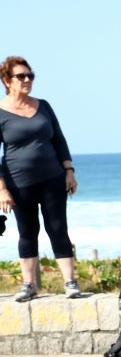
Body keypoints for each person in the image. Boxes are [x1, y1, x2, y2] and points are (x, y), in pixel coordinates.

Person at [0, 56, 80, 302]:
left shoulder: (43, 105)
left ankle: (70, 281)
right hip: (18, 183)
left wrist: (69, 171)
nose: (27, 80)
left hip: (53, 178)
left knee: (57, 228)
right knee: (27, 232)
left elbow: (59, 140)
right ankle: (29, 284)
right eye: (21, 76)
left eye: (30, 75)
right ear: (6, 80)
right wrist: (2, 189)